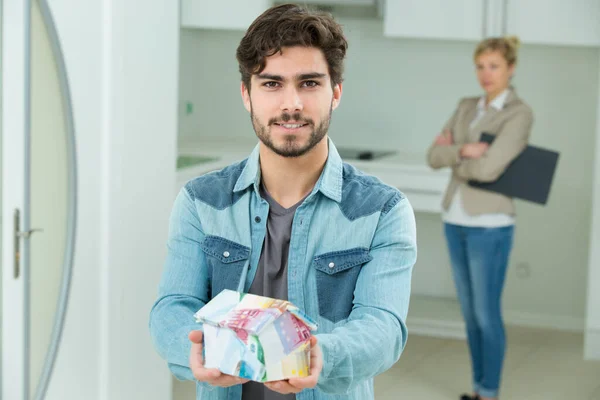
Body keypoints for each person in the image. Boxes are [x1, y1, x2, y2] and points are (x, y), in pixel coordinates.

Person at [149, 4, 417, 400]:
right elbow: (172, 306)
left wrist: (317, 355)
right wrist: (195, 348)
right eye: (272, 84)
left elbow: (383, 326)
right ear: (247, 94)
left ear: (335, 93)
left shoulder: (383, 212)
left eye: (309, 83)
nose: (291, 104)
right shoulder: (199, 202)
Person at [427, 36, 533, 400]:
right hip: (455, 218)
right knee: (470, 316)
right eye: (481, 66)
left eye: (494, 66)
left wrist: (454, 155)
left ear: (511, 68)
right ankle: (478, 389)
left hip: (490, 226)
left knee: (487, 315)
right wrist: (464, 151)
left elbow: (489, 170)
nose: (486, 75)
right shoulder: (466, 105)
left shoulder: (518, 113)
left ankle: (490, 391)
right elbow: (432, 155)